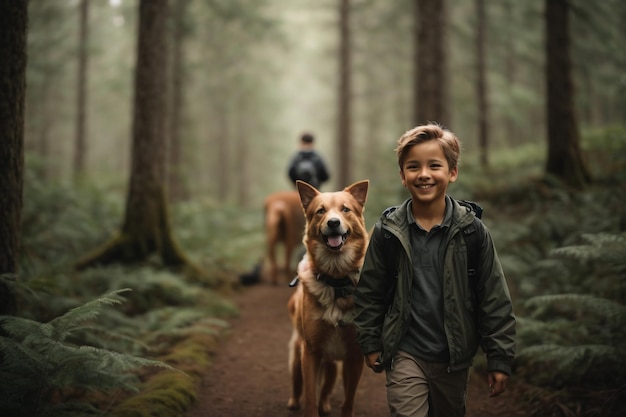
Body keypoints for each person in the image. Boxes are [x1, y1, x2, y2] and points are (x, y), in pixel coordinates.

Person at [353, 123, 516, 417]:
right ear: (403, 176)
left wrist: (499, 358)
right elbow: (369, 291)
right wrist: (370, 341)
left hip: (454, 358)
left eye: (434, 166)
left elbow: (493, 296)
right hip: (404, 353)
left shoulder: (472, 232)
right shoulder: (388, 231)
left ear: (452, 173)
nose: (424, 174)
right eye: (413, 167)